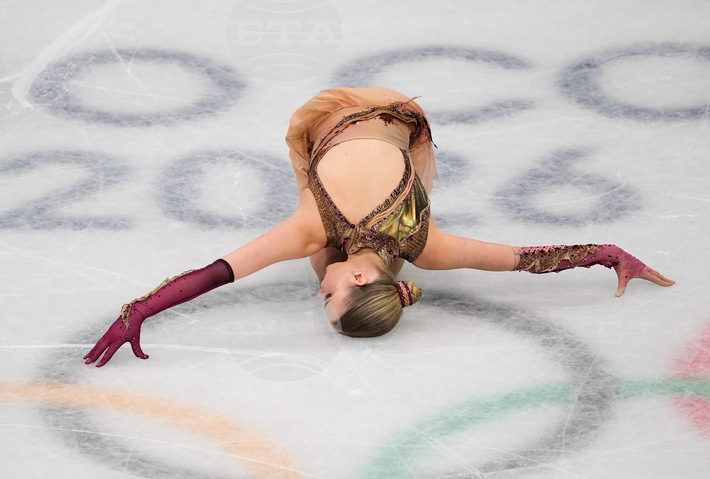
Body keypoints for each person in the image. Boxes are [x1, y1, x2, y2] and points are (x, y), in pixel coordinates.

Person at [84, 87, 674, 367]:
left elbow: (527, 258)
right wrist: (141, 309)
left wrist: (608, 252)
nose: (320, 293)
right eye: (334, 296)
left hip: (398, 128)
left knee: (321, 250)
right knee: (318, 246)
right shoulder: (320, 229)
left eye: (325, 304)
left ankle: (352, 202)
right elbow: (219, 274)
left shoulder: (427, 248)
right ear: (365, 276)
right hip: (351, 111)